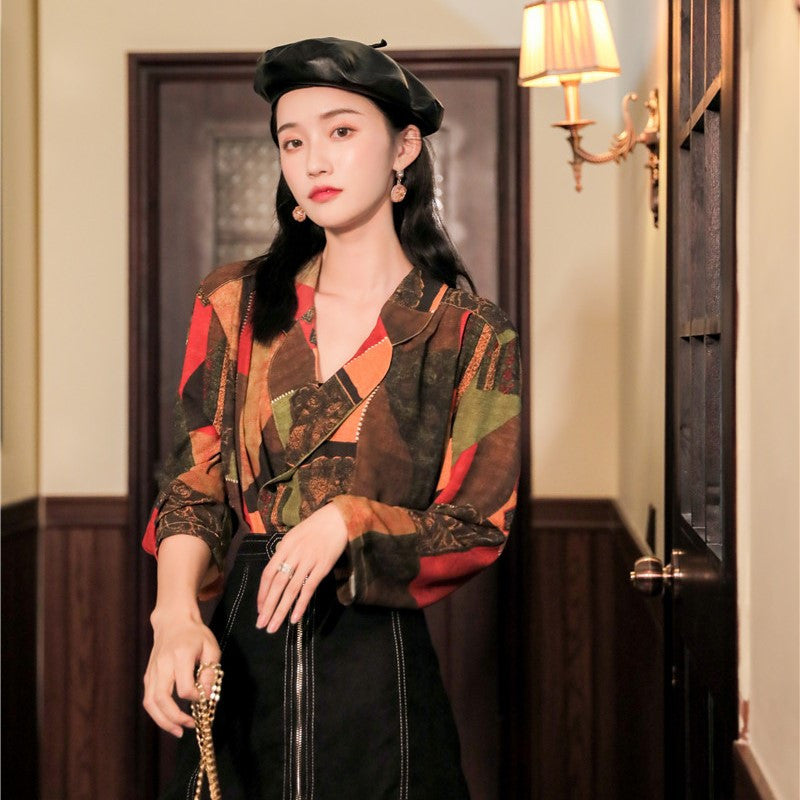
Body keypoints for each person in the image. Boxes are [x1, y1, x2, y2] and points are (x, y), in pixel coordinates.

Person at [141, 36, 522, 800]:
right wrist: (174, 616)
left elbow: (479, 526)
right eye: (293, 141)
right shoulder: (235, 303)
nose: (313, 159)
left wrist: (349, 519)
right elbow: (194, 483)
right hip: (241, 657)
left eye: (341, 131)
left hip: (380, 670)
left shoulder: (469, 332)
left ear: (403, 149)